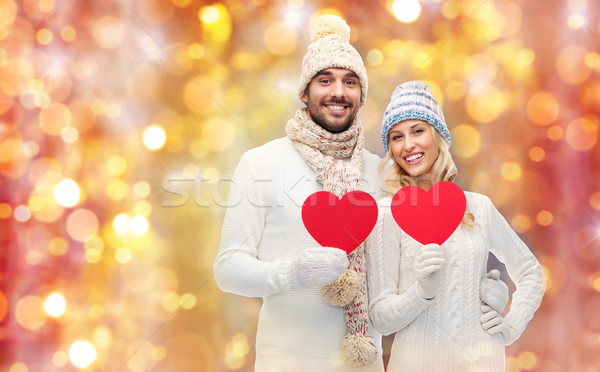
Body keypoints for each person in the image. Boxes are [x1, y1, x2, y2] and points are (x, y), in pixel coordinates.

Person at [214, 15, 385, 371]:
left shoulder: (380, 172)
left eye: (349, 81)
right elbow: (227, 269)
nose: (338, 92)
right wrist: (291, 274)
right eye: (325, 80)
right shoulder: (261, 163)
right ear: (306, 91)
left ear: (361, 94)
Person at [365, 81, 546, 371]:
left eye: (418, 131)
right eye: (397, 136)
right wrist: (421, 292)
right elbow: (381, 318)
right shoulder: (387, 214)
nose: (408, 144)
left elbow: (531, 273)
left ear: (438, 137)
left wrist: (511, 325)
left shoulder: (478, 207)